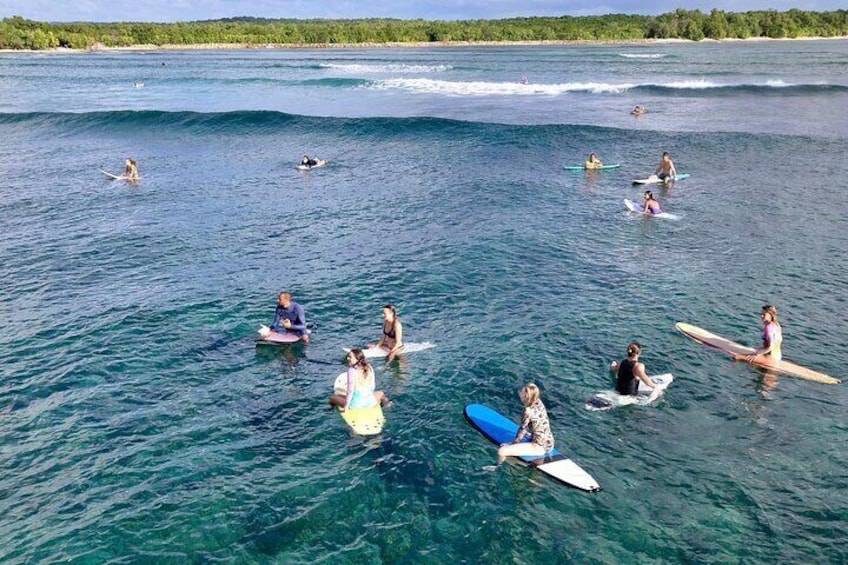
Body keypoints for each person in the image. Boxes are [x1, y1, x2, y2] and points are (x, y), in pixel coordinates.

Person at [494, 383, 555, 467]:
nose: (519, 393)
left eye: (522, 392)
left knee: (502, 451)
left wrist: (513, 444)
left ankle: (497, 466)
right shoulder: (539, 402)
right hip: (549, 442)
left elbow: (523, 429)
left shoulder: (527, 411)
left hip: (539, 447)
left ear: (526, 396)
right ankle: (532, 460)